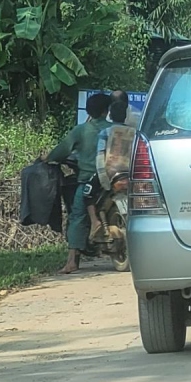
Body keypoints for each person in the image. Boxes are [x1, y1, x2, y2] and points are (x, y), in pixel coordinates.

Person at [46, 92, 112, 274]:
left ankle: (72, 261)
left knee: (77, 216)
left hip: (89, 178)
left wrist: (47, 158)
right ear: (107, 111)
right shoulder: (116, 129)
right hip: (116, 178)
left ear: (89, 111)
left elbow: (61, 151)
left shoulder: (82, 130)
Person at [88, 91, 136, 239]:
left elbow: (100, 157)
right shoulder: (135, 133)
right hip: (130, 174)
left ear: (110, 115)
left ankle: (95, 222)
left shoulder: (106, 132)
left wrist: (103, 178)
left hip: (110, 175)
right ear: (125, 116)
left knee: (86, 194)